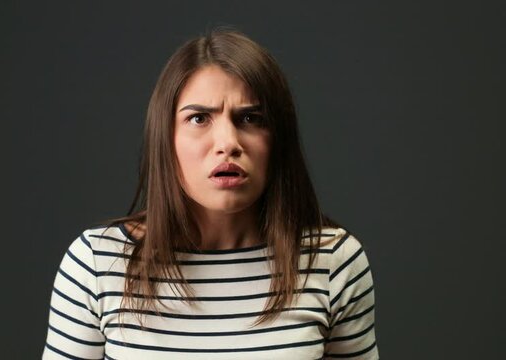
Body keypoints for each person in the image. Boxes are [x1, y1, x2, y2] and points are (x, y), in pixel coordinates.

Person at [42, 28, 378, 359]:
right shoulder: (98, 264)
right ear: (165, 138)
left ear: (278, 139)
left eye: (251, 117)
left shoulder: (333, 261)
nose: (228, 143)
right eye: (199, 118)